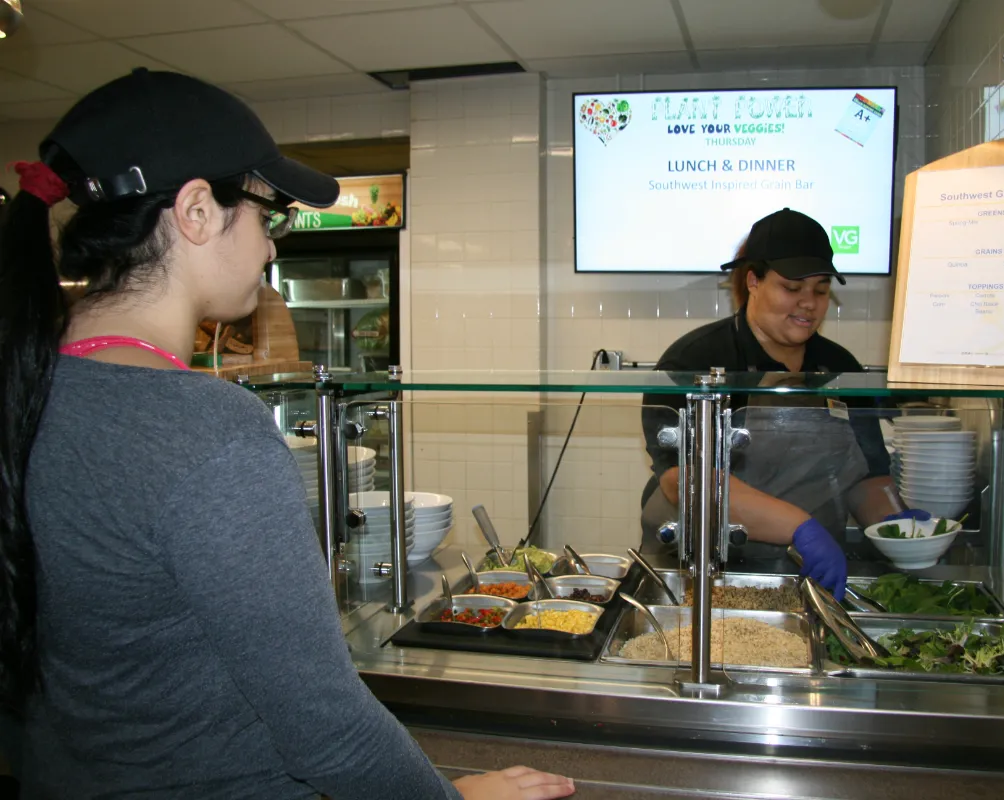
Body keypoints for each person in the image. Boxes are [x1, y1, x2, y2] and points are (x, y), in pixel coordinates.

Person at [0, 69, 574, 800]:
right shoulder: (212, 434)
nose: (273, 248)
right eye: (269, 216)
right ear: (198, 211)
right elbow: (326, 729)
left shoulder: (28, 393)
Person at [639, 208, 925, 599]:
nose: (809, 303)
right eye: (792, 288)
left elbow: (866, 474)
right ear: (753, 280)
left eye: (821, 290)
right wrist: (800, 528)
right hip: (703, 575)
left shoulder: (840, 368)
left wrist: (897, 526)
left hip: (807, 574)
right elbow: (683, 481)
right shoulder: (693, 361)